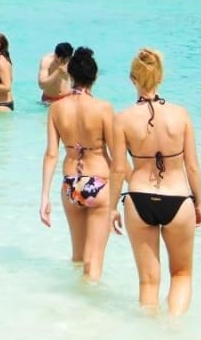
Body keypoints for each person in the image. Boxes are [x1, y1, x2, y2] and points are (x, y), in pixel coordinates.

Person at [109, 48, 201, 316]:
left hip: (138, 200)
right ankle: (173, 330)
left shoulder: (122, 119)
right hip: (177, 198)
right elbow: (193, 166)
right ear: (160, 77)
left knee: (148, 281)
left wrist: (111, 208)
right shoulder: (181, 115)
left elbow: (118, 169)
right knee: (182, 274)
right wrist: (199, 203)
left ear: (132, 79)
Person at [39, 47, 115, 282]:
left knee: (79, 257)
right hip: (99, 183)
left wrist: (44, 197)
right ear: (95, 77)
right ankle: (90, 311)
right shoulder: (103, 108)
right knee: (94, 262)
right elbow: (116, 158)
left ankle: (73, 309)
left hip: (70, 185)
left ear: (70, 76)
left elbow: (51, 154)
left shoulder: (56, 108)